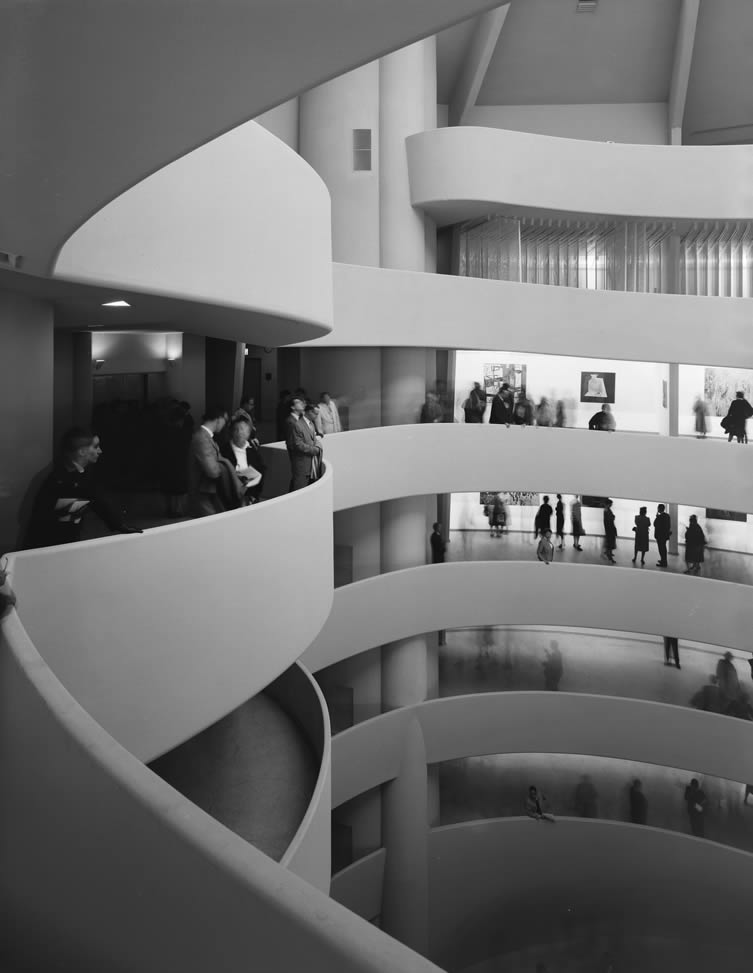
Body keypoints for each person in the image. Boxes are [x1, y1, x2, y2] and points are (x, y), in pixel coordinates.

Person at [24, 427, 142, 547]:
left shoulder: (81, 475)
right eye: (95, 447)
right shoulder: (60, 481)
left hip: (62, 545)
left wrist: (119, 525)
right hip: (49, 547)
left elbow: (97, 501)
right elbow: (48, 522)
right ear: (82, 452)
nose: (100, 451)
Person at [187, 406, 230, 517]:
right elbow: (213, 471)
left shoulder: (206, 437)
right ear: (219, 419)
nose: (225, 424)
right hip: (202, 494)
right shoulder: (202, 438)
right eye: (225, 420)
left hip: (206, 493)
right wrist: (227, 468)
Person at [219, 417, 263, 503]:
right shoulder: (225, 450)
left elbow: (261, 470)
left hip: (250, 496)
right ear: (232, 432)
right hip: (230, 497)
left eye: (243, 430)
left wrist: (253, 494)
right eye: (236, 429)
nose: (240, 433)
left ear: (248, 433)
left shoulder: (252, 450)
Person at [285, 396, 322, 491]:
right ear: (309, 412)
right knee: (299, 490)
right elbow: (297, 445)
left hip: (310, 464)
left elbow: (314, 439)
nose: (316, 416)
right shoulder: (296, 424)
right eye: (315, 414)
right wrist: (315, 450)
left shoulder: (311, 424)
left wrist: (318, 446)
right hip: (301, 463)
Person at [601, 498, 617, 563]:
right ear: (608, 504)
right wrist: (613, 517)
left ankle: (609, 553)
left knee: (610, 541)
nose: (611, 505)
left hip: (610, 528)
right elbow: (610, 518)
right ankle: (610, 557)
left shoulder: (607, 510)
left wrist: (612, 517)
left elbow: (611, 518)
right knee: (610, 542)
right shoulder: (606, 510)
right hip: (609, 528)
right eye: (611, 504)